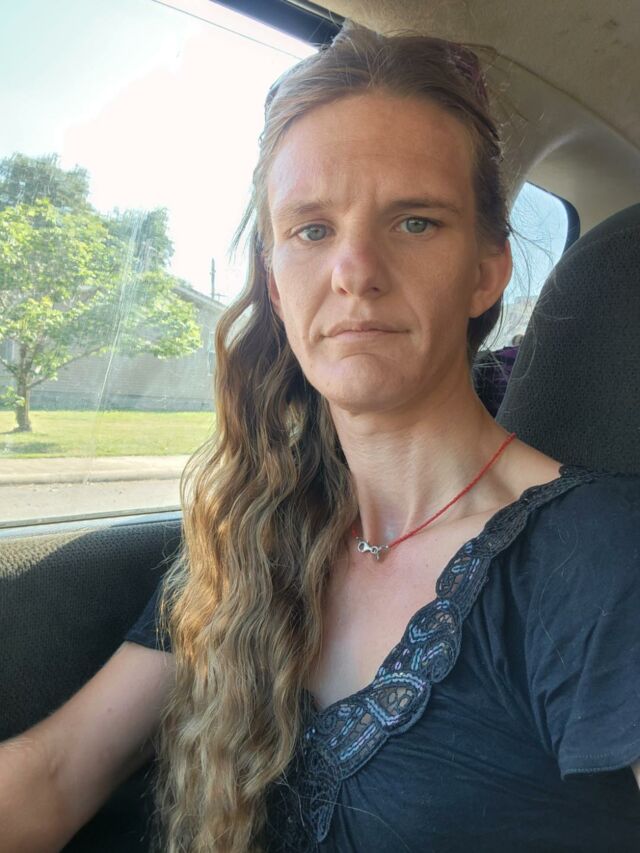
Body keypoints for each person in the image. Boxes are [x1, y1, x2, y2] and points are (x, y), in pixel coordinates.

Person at [1, 22, 639, 853]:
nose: (356, 271)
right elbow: (55, 776)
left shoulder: (599, 554)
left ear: (487, 270)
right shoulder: (248, 530)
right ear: (275, 280)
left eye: (415, 222)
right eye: (311, 229)